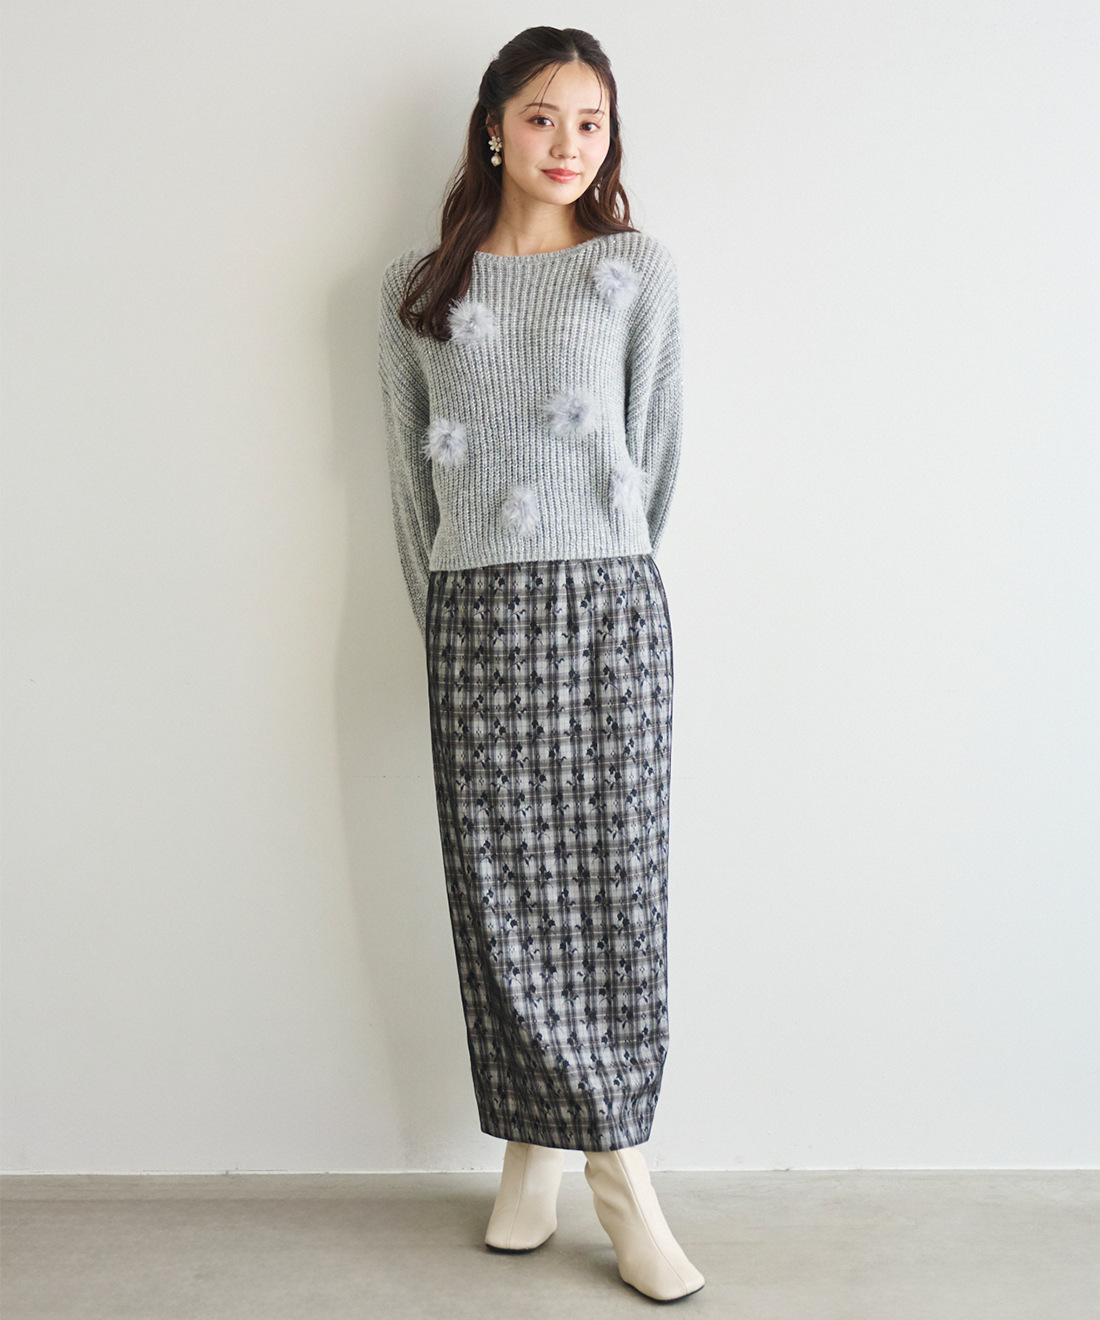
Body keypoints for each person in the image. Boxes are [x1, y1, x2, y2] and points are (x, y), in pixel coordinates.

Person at [377, 26, 702, 1303]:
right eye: (541, 116)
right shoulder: (416, 291)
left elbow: (654, 462)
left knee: (613, 891)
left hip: (607, 608)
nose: (567, 144)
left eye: (590, 121)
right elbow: (409, 489)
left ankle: (614, 1172)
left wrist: (598, 571)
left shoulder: (633, 271)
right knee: (500, 896)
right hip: (472, 614)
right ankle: (531, 1151)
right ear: (492, 125)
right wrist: (450, 620)